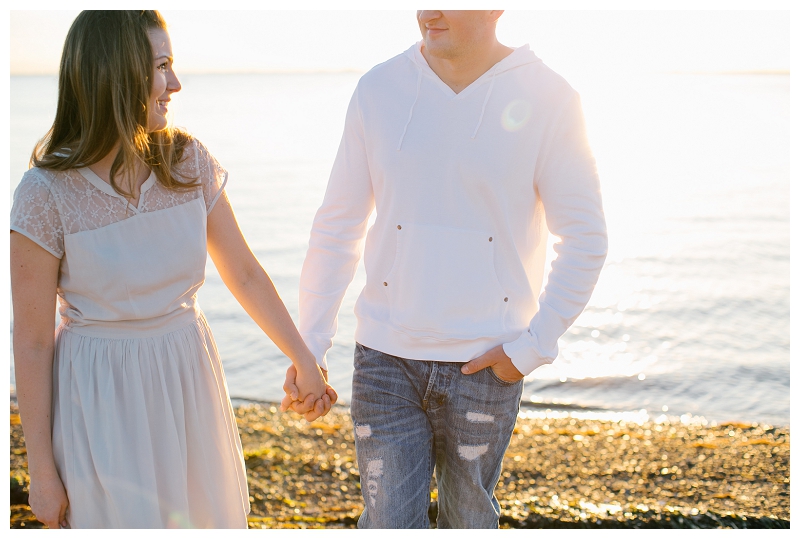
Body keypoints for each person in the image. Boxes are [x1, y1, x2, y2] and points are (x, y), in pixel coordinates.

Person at [282, 10, 607, 529]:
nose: (429, 11)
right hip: (385, 358)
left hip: (485, 364)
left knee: (470, 521)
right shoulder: (379, 89)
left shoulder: (549, 97)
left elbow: (586, 238)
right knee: (388, 523)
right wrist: (310, 346)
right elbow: (337, 226)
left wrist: (531, 347)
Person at [10, 10, 336, 529]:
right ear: (116, 75)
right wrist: (42, 471)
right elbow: (30, 342)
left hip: (188, 377)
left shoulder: (188, 161)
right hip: (98, 396)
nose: (175, 84)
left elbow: (245, 273)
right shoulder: (44, 195)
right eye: (162, 66)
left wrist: (304, 360)